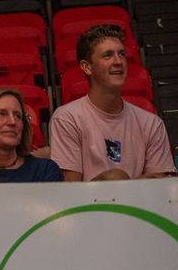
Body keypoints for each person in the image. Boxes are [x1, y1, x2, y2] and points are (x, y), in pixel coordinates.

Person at [49, 24, 175, 181]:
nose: (118, 61)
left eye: (121, 54)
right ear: (87, 67)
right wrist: (114, 182)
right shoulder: (67, 118)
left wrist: (118, 183)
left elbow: (160, 186)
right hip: (93, 200)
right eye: (108, 55)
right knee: (114, 176)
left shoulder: (152, 123)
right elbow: (70, 188)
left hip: (140, 198)